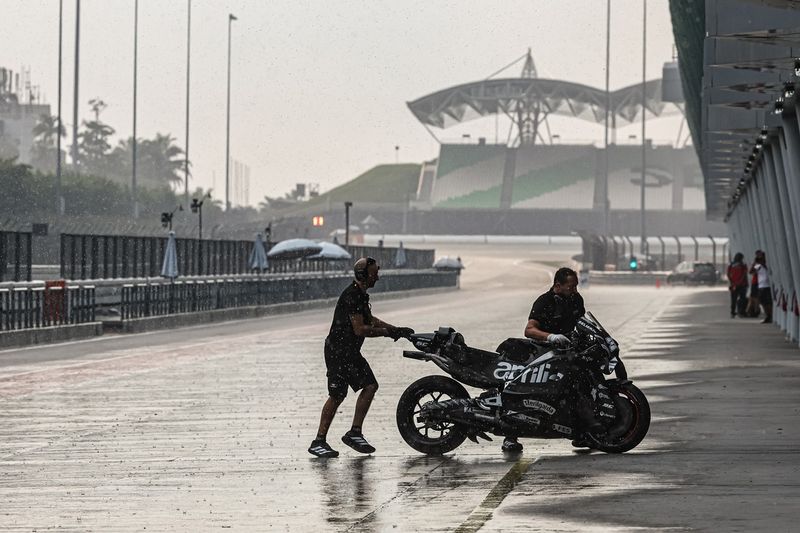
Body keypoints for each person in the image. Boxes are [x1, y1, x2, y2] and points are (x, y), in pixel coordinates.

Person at [308, 256, 414, 458]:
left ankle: (351, 433)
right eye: (374, 274)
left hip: (347, 351)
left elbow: (370, 319)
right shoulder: (352, 296)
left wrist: (396, 329)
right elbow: (360, 329)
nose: (377, 278)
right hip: (339, 352)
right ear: (363, 275)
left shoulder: (360, 295)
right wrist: (386, 333)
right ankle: (322, 441)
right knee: (340, 394)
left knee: (363, 388)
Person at [501, 267, 590, 453]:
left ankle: (581, 432)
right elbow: (529, 330)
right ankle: (510, 435)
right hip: (543, 351)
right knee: (528, 391)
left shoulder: (576, 299)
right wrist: (551, 337)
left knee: (577, 388)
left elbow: (583, 323)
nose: (574, 290)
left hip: (567, 352)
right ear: (558, 285)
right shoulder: (544, 301)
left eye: (576, 286)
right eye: (570, 286)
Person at [750, 250, 772, 324]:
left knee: (766, 302)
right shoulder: (759, 265)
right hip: (762, 286)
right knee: (764, 302)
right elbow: (751, 271)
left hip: (766, 286)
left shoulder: (766, 264)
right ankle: (768, 316)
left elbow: (751, 271)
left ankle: (769, 316)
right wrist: (755, 263)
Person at [727, 253, 748, 318]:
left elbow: (728, 274)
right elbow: (744, 274)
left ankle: (732, 312)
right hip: (742, 285)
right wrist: (740, 282)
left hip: (734, 285)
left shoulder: (731, 264)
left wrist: (732, 282)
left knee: (733, 299)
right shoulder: (743, 264)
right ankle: (741, 312)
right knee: (742, 299)